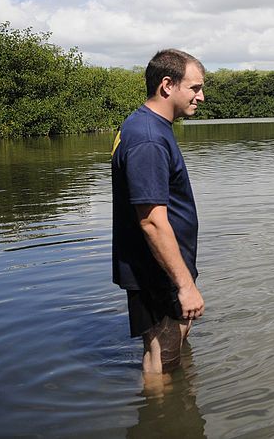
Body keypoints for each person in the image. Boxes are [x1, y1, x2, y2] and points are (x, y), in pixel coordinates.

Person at [112, 48, 206, 375]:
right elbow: (152, 221)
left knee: (170, 354)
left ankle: (170, 412)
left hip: (163, 267)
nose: (201, 96)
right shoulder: (148, 137)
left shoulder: (148, 127)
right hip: (158, 270)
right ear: (167, 85)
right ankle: (163, 420)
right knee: (162, 363)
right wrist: (184, 285)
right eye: (195, 88)